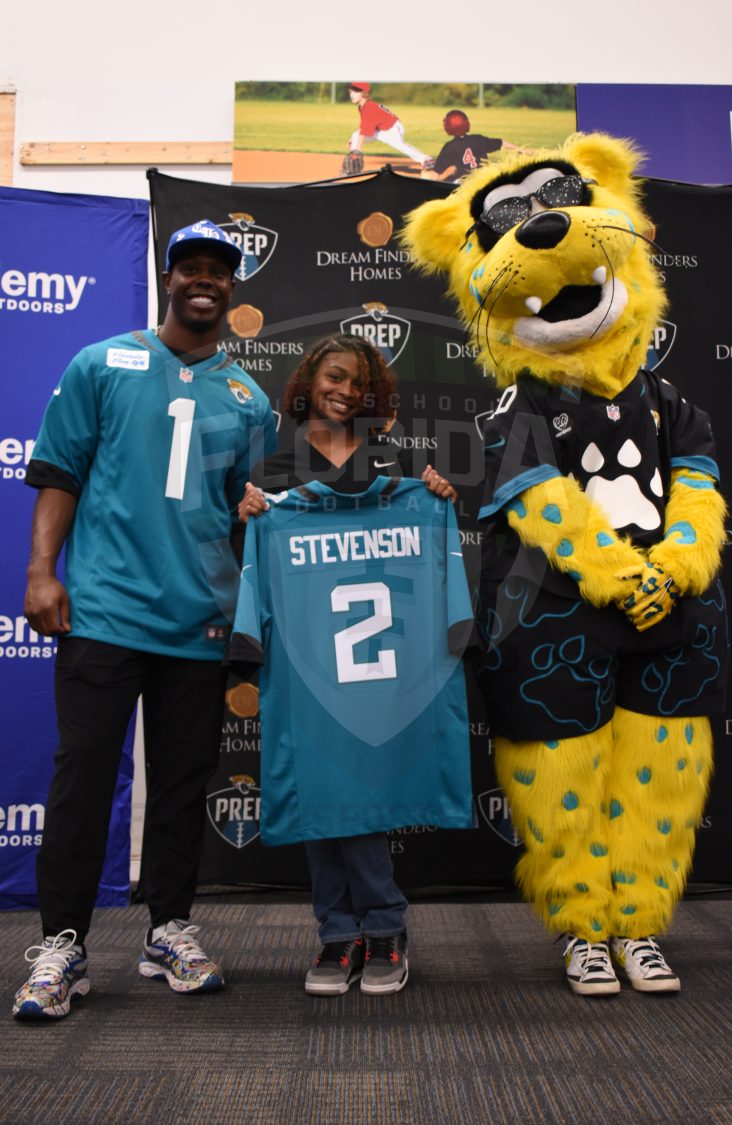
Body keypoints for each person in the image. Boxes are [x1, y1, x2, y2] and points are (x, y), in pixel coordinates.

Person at [12, 220, 277, 1021]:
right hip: (103, 610)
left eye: (219, 272)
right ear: (169, 278)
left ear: (233, 288)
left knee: (181, 786)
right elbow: (59, 472)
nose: (205, 281)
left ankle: (169, 928)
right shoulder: (103, 361)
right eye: (191, 268)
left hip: (198, 621)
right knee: (83, 777)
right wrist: (39, 572)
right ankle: (62, 943)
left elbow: (248, 520)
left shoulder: (249, 398)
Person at [236, 333, 467, 998]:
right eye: (333, 377)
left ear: (373, 397)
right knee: (320, 789)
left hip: (382, 660)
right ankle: (343, 932)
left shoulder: (394, 462)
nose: (345, 391)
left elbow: (431, 542)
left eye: (359, 383)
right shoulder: (275, 469)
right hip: (307, 657)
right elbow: (249, 553)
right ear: (308, 381)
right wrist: (246, 514)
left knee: (355, 787)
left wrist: (440, 497)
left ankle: (377, 927)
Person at [345, 83, 434, 173]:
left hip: (392, 128)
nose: (351, 95)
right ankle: (354, 166)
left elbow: (365, 130)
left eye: (355, 92)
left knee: (399, 145)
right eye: (350, 92)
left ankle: (426, 160)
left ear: (363, 93)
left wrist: (357, 149)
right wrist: (353, 140)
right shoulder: (362, 106)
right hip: (380, 129)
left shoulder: (369, 107)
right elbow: (363, 125)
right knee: (355, 136)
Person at [432, 110, 529, 183]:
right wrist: (520, 149)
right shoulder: (478, 139)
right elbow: (501, 142)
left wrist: (443, 176)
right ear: (466, 124)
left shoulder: (449, 147)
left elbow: (435, 176)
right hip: (483, 180)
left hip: (463, 184)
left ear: (447, 126)